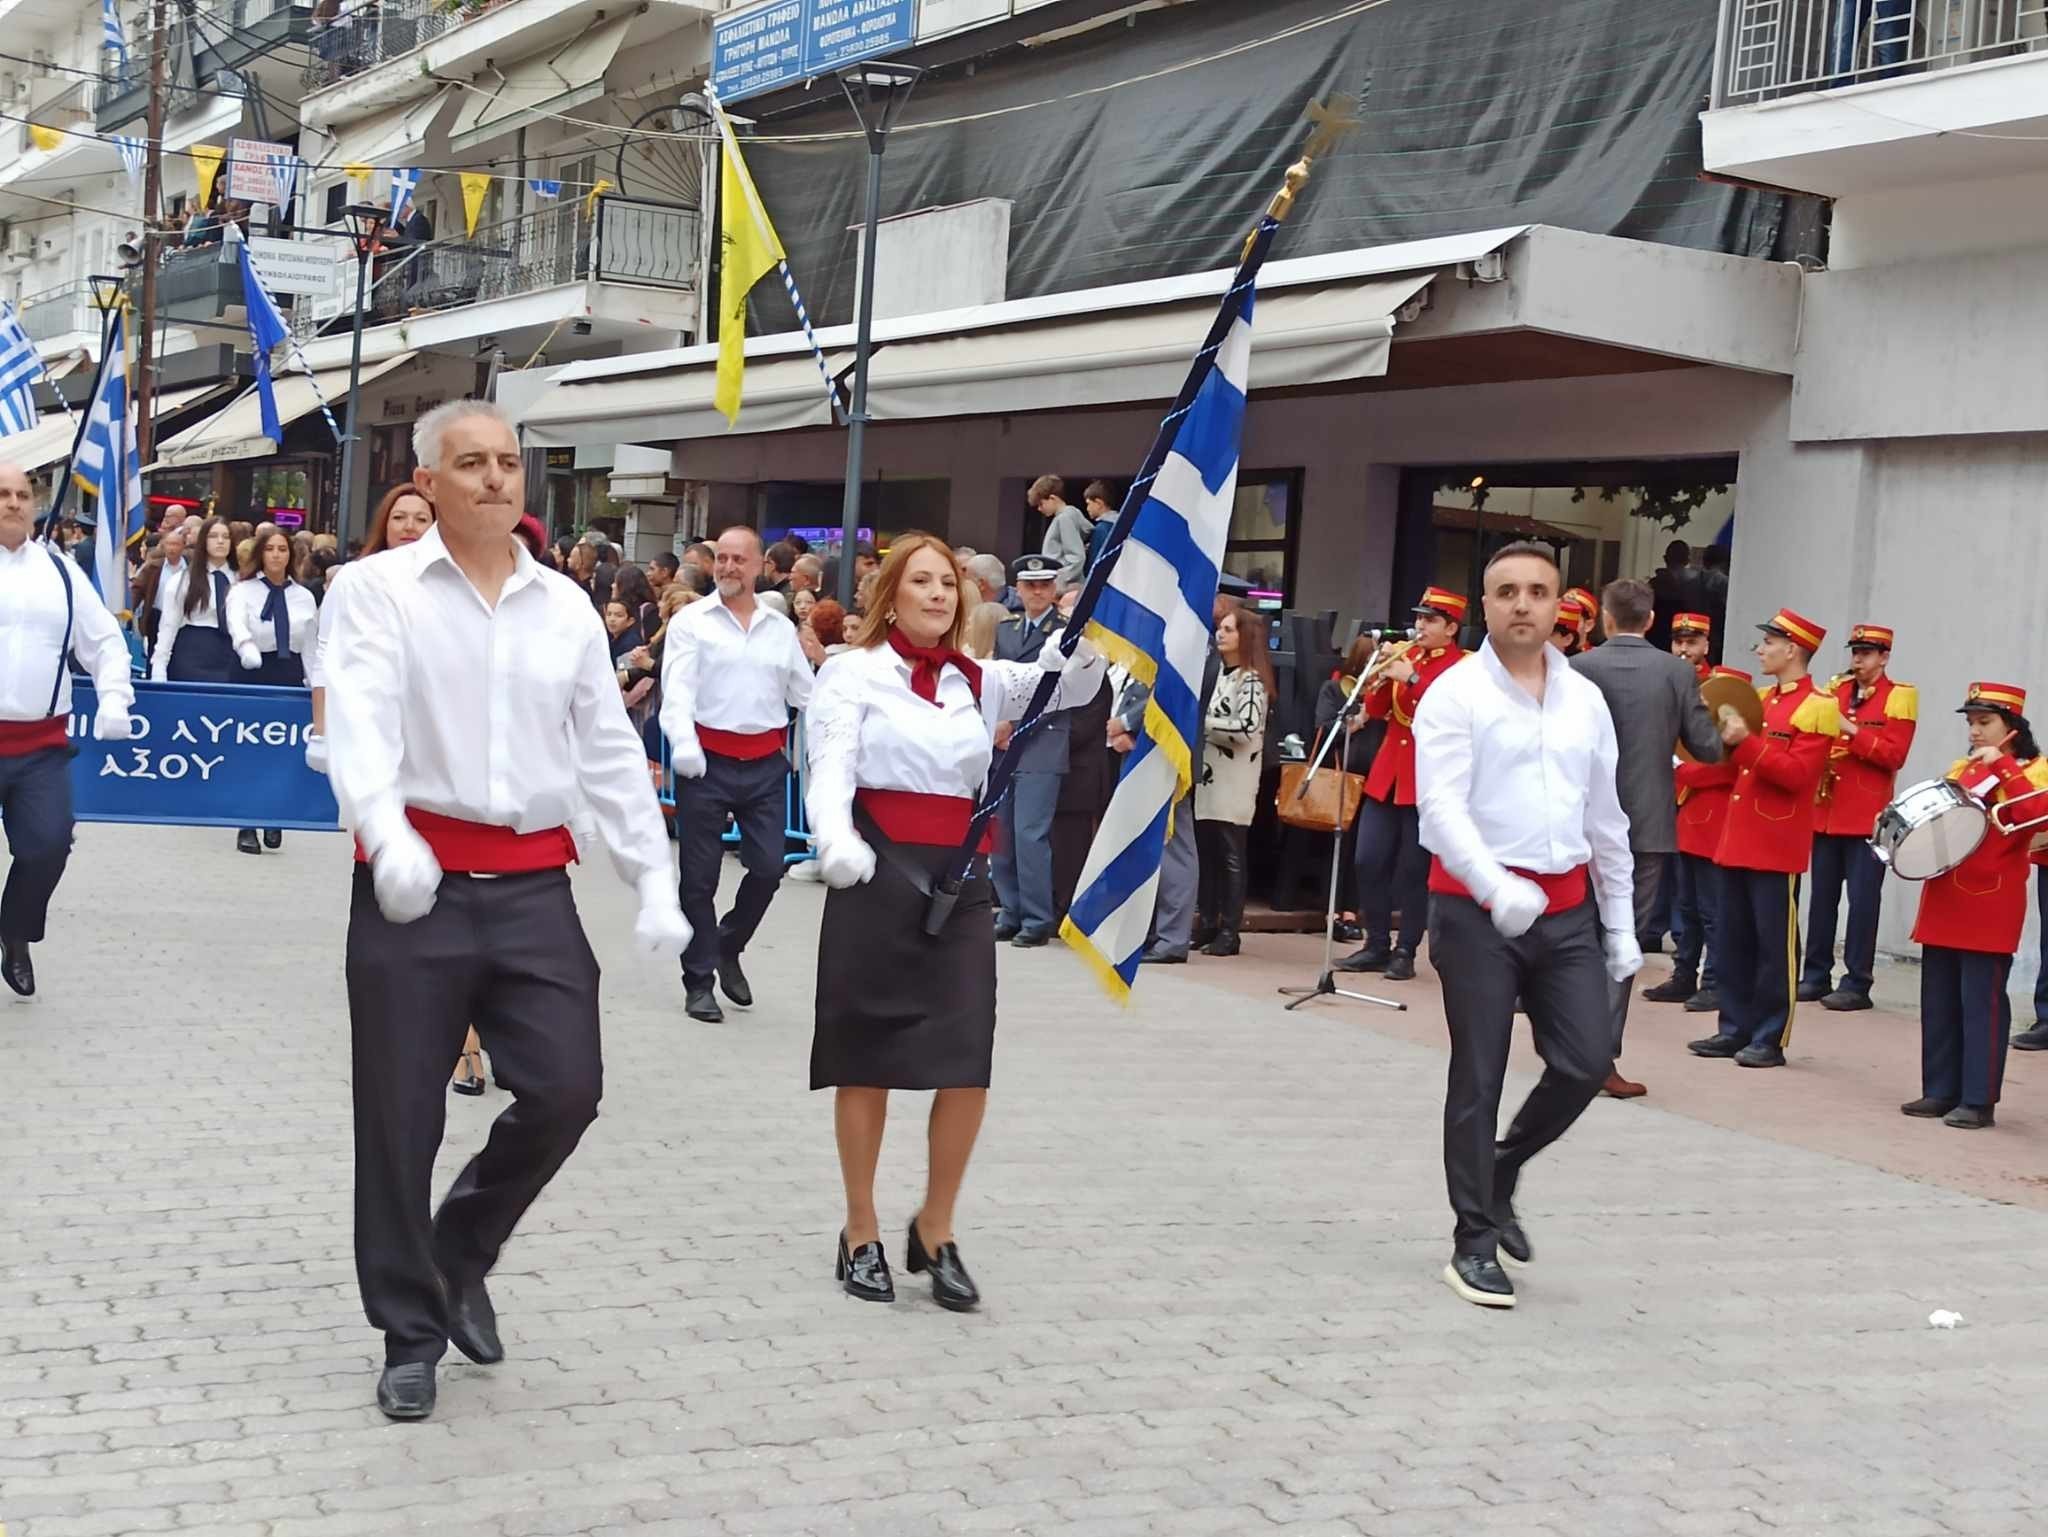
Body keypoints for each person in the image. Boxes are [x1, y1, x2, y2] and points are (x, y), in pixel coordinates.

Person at [321, 400, 689, 1422]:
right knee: (400, 1117)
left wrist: (649, 873)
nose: (494, 478)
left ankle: (458, 1250)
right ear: (427, 482)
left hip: (533, 888)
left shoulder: (564, 606)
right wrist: (388, 835)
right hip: (417, 889)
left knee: (567, 1089)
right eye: (470, 463)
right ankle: (409, 1329)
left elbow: (608, 750)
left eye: (507, 463)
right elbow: (356, 718)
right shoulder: (372, 591)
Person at [804, 532, 1103, 1309]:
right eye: (923, 581)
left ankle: (935, 1225)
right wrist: (834, 842)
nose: (938, 594)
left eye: (949, 583)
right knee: (865, 1054)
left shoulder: (983, 679)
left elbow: (1064, 685)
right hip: (876, 874)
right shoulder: (853, 674)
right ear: (890, 593)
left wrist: (1088, 625)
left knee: (966, 1059)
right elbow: (829, 764)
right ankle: (860, 1225)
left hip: (961, 883)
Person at [1414, 540, 1637, 1310]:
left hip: (1567, 909)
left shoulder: (1585, 700)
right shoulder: (1454, 692)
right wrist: (1492, 884)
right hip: (1477, 911)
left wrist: (1622, 921)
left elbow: (1606, 816)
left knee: (1586, 1059)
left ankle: (1502, 1166)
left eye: (1537, 591)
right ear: (1486, 604)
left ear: (1558, 605)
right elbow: (1439, 806)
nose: (1521, 603)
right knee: (1478, 1071)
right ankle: (1472, 1240)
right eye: (1506, 590)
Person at [1569, 578, 1723, 1098]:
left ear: (1607, 619)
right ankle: (1599, 1059)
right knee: (1621, 942)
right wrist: (1734, 729)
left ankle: (1567, 1046)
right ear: (1651, 621)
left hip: (1581, 823)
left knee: (1575, 938)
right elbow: (1706, 747)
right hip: (1646, 827)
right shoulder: (1676, 671)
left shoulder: (1578, 668)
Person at [659, 525, 814, 1023]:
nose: (727, 567)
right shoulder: (693, 623)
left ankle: (729, 944)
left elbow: (805, 693)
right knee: (698, 879)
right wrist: (684, 743)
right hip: (706, 763)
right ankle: (698, 980)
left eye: (737, 560)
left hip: (765, 764)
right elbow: (677, 691)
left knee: (769, 867)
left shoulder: (779, 628)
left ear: (757, 566)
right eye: (721, 559)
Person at [0, 463, 136, 998]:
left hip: (40, 746)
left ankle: (14, 933)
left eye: (20, 495)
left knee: (48, 846)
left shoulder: (61, 572)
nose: (12, 503)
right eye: (2, 494)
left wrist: (115, 697)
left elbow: (104, 642)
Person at [1688, 607, 1841, 1069]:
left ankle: (1769, 1036)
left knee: (1774, 947)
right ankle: (1733, 1028)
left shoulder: (1819, 707)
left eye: (1769, 643)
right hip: (1739, 838)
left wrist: (1748, 742)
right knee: (1733, 940)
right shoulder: (1762, 699)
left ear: (1792, 649)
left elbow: (1797, 775)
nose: (1761, 650)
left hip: (1776, 845)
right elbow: (1732, 765)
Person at [1902, 683, 2048, 1129]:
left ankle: (1978, 1098)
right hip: (1946, 894)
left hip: (1990, 898)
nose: (1975, 731)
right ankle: (1940, 1089)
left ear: (2012, 728)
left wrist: (2003, 766)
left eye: (1985, 722)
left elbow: (2038, 814)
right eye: (1971, 723)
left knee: (1980, 1002)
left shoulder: (2034, 770)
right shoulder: (1961, 769)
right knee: (1940, 998)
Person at [1336, 586, 1468, 982]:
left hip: (1427, 779)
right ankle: (1376, 943)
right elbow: (1377, 709)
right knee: (1367, 859)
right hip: (1388, 774)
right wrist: (1376, 679)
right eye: (1419, 618)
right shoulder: (1405, 655)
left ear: (1451, 628)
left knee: (1413, 870)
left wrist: (1410, 677)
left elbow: (1452, 712)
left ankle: (1406, 949)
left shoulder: (1463, 668)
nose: (1420, 626)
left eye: (1430, 620)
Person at [1119, 575, 1239, 965]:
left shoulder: (1197, 644)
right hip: (1145, 747)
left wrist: (1128, 723)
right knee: (1148, 844)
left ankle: (1172, 937)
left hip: (1169, 751)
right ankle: (1154, 931)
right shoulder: (1175, 635)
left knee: (1175, 847)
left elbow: (1176, 694)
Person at [1801, 624, 1917, 1011]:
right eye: (1855, 652)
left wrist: (1850, 730)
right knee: (1822, 899)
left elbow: (1893, 756)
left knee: (1863, 901)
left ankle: (1857, 982)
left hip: (1867, 816)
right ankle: (1815, 975)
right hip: (1828, 810)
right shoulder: (1834, 692)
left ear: (1884, 657)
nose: (1858, 660)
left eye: (1867, 653)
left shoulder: (1899, 697)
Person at [1651, 665, 1754, 1016]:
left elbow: (1717, 773)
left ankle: (1714, 982)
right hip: (1691, 829)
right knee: (1688, 909)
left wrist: (1679, 767)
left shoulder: (1738, 742)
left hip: (1715, 833)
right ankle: (1684, 973)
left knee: (1713, 913)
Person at [990, 553, 1071, 946]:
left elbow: (1057, 691)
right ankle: (1011, 910)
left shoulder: (1066, 632)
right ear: (1017, 589)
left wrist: (1013, 724)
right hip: (1004, 743)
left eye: (1044, 585)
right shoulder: (1006, 630)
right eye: (1029, 585)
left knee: (1029, 834)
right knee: (1001, 831)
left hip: (1043, 739)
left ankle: (1038, 919)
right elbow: (1000, 682)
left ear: (1054, 589)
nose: (1037, 592)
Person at [226, 523, 318, 856]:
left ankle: (274, 816)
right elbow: (236, 622)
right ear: (260, 554)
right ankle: (246, 823)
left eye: (282, 549)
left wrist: (314, 681)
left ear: (291, 554)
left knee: (283, 750)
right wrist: (245, 645)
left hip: (288, 673)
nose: (276, 555)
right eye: (270, 549)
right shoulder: (243, 591)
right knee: (251, 749)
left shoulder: (304, 596)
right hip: (252, 672)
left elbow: (309, 643)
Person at [1193, 606, 1273, 957]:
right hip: (1209, 774)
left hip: (1235, 776)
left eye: (1229, 629)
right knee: (1207, 851)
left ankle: (1230, 929)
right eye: (1220, 628)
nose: (1220, 634)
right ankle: (1208, 920)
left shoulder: (1252, 680)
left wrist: (1201, 725)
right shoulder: (1217, 674)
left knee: (1229, 851)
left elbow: (1246, 728)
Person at [1311, 633, 1386, 943]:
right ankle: (1332, 911)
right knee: (1339, 847)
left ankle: (1352, 911)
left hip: (1374, 780)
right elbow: (1325, 725)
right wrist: (1360, 718)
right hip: (1343, 776)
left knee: (1363, 850)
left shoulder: (1385, 692)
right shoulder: (1337, 688)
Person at [151, 515, 238, 682]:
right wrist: (159, 667)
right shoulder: (183, 580)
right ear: (203, 541)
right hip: (193, 652)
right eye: (213, 536)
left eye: (226, 537)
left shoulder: (242, 580)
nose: (220, 541)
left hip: (232, 655)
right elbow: (169, 625)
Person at [1032, 475, 1094, 593]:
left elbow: (1076, 557)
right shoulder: (1070, 515)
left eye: (1041, 504)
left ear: (1052, 498)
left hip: (1064, 587)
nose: (1039, 509)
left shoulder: (1064, 518)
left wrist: (1056, 583)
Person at [1647, 540, 1700, 652]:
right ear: (1687, 560)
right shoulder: (1697, 584)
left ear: (1665, 558)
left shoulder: (1655, 584)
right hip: (1685, 638)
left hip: (1656, 638)